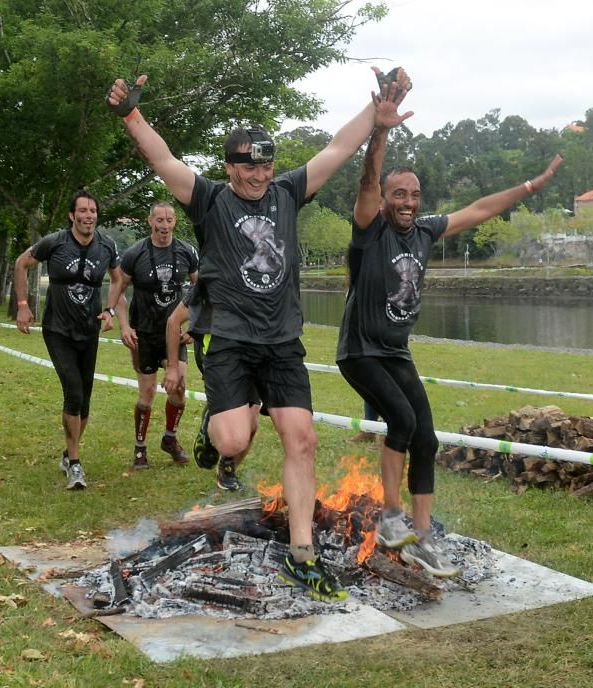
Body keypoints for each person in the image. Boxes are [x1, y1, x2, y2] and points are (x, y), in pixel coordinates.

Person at [108, 66, 412, 601]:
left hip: (281, 343)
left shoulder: (290, 192)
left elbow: (338, 148)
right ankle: (217, 425)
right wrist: (131, 114)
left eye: (265, 164)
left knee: (303, 438)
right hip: (228, 341)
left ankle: (302, 555)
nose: (259, 174)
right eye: (248, 166)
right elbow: (163, 159)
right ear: (229, 167)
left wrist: (376, 114)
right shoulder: (208, 200)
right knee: (233, 440)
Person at [337, 103, 563, 577]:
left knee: (427, 439)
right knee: (399, 418)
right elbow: (365, 184)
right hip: (360, 352)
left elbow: (480, 210)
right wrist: (378, 132)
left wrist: (529, 188)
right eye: (398, 194)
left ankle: (421, 538)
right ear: (384, 199)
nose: (407, 202)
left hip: (395, 351)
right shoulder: (369, 232)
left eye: (414, 194)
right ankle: (392, 517)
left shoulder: (424, 231)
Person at [14, 190, 125, 490]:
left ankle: (68, 453)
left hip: (88, 331)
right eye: (83, 211)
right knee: (73, 392)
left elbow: (118, 279)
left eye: (93, 211)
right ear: (72, 215)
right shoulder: (55, 242)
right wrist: (23, 306)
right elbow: (21, 264)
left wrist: (110, 309)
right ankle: (75, 463)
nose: (89, 216)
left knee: (85, 402)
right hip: (58, 330)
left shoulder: (107, 246)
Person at [109, 201, 199, 470]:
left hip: (175, 333)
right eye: (159, 220)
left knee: (179, 387)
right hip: (144, 332)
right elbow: (118, 288)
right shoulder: (135, 253)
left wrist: (195, 325)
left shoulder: (186, 252)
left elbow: (202, 290)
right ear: (150, 221)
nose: (164, 226)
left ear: (174, 222)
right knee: (147, 392)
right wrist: (124, 325)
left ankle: (170, 438)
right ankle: (140, 448)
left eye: (169, 220)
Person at [163, 281, 261, 491]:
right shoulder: (214, 275)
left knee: (252, 423)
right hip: (217, 353)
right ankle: (213, 422)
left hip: (253, 352)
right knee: (234, 415)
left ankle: (228, 469)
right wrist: (172, 366)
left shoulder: (260, 277)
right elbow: (174, 320)